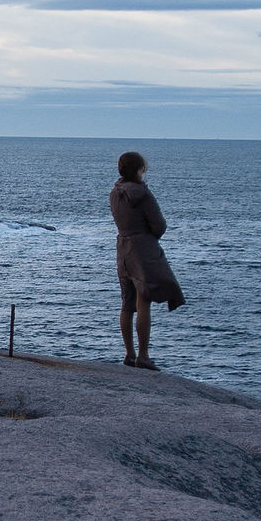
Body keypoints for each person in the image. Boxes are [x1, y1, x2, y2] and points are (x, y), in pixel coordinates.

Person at [110, 151, 185, 370]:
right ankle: (143, 355)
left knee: (126, 304)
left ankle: (129, 354)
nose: (145, 172)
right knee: (144, 301)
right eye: (144, 168)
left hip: (122, 247)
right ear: (138, 170)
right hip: (142, 249)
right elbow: (159, 225)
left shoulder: (115, 193)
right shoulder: (142, 194)